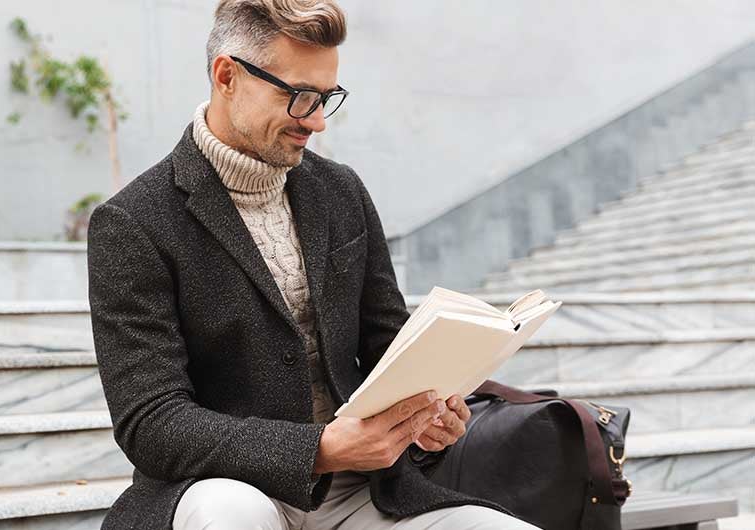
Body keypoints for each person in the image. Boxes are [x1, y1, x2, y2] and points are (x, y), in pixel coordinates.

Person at [86, 1, 541, 529]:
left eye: (327, 98)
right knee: (232, 514)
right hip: (220, 490)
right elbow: (152, 424)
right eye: (300, 97)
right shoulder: (133, 222)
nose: (318, 121)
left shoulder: (340, 191)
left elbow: (387, 345)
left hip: (364, 491)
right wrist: (318, 448)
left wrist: (426, 413)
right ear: (227, 75)